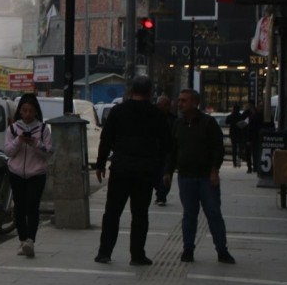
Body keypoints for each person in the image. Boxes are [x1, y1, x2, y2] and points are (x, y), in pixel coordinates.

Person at [93, 77, 171, 266]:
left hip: (120, 168)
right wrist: (166, 170)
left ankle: (104, 252)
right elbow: (167, 144)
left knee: (112, 212)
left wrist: (100, 164)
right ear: (150, 92)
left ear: (130, 91)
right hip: (145, 171)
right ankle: (137, 255)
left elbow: (106, 140)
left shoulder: (118, 111)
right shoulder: (157, 114)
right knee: (140, 214)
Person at [163, 88, 235, 264]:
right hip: (186, 177)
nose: (180, 103)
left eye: (184, 101)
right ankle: (188, 249)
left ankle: (222, 250)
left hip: (205, 178)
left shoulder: (208, 123)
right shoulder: (178, 125)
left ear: (194, 103)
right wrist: (168, 171)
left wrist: (214, 170)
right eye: (179, 100)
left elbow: (218, 148)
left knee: (213, 213)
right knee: (189, 215)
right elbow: (173, 150)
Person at [2, 93, 52, 259]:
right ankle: (22, 240)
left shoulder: (44, 129)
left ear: (36, 112)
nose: (28, 114)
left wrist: (35, 143)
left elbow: (48, 152)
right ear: (20, 112)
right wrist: (19, 140)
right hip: (16, 173)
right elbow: (8, 151)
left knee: (32, 206)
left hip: (36, 174)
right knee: (19, 208)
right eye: (25, 110)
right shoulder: (13, 129)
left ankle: (30, 240)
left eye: (31, 110)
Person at [153, 95, 176, 205]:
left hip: (167, 151)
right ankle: (160, 193)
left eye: (168, 105)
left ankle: (162, 195)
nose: (168, 107)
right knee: (155, 174)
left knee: (167, 172)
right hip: (154, 151)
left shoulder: (172, 119)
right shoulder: (151, 116)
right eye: (165, 105)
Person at [243, 102, 263, 175]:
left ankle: (250, 167)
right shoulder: (261, 117)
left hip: (251, 137)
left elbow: (248, 128)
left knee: (250, 153)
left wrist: (247, 139)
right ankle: (255, 167)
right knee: (256, 153)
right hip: (258, 137)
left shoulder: (250, 117)